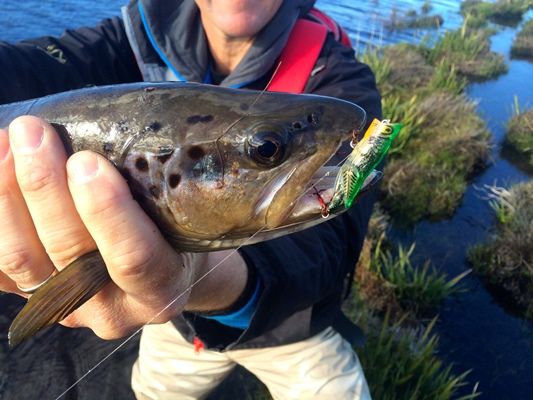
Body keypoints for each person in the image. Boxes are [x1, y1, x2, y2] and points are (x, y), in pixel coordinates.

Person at [0, 0, 381, 398]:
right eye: (266, 149)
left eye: (266, 148)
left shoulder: (338, 75)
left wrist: (195, 278)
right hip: (181, 327)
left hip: (295, 327)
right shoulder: (132, 39)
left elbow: (332, 249)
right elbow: (24, 67)